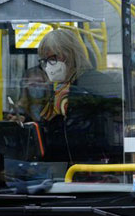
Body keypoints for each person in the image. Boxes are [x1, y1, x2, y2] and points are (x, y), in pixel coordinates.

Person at [34, 28, 120, 163]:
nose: (47, 67)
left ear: (71, 55)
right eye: (44, 61)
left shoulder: (94, 84)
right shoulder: (57, 90)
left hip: (92, 164)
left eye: (53, 59)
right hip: (65, 165)